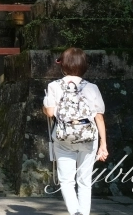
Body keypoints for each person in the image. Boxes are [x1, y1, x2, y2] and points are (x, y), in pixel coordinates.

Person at [43, 47, 108, 215]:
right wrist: (103, 144)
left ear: (62, 65)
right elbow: (99, 117)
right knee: (85, 181)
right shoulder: (92, 87)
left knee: (66, 181)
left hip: (63, 137)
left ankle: (75, 213)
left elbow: (50, 112)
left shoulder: (54, 86)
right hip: (88, 137)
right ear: (84, 66)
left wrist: (45, 107)